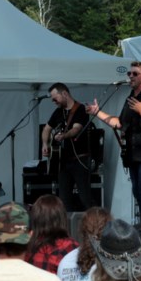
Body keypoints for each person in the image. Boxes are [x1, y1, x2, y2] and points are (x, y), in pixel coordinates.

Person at [87, 62, 141, 220]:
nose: (130, 76)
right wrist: (97, 113)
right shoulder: (130, 98)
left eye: (135, 74)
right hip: (133, 154)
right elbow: (120, 123)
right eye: (129, 74)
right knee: (137, 191)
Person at [41, 82, 94, 212]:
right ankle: (67, 228)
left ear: (64, 94)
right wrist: (45, 144)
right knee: (64, 199)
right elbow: (46, 128)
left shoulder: (80, 109)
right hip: (63, 162)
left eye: (55, 98)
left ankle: (98, 224)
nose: (54, 102)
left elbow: (76, 129)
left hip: (79, 160)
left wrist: (64, 135)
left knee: (85, 197)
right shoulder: (58, 112)